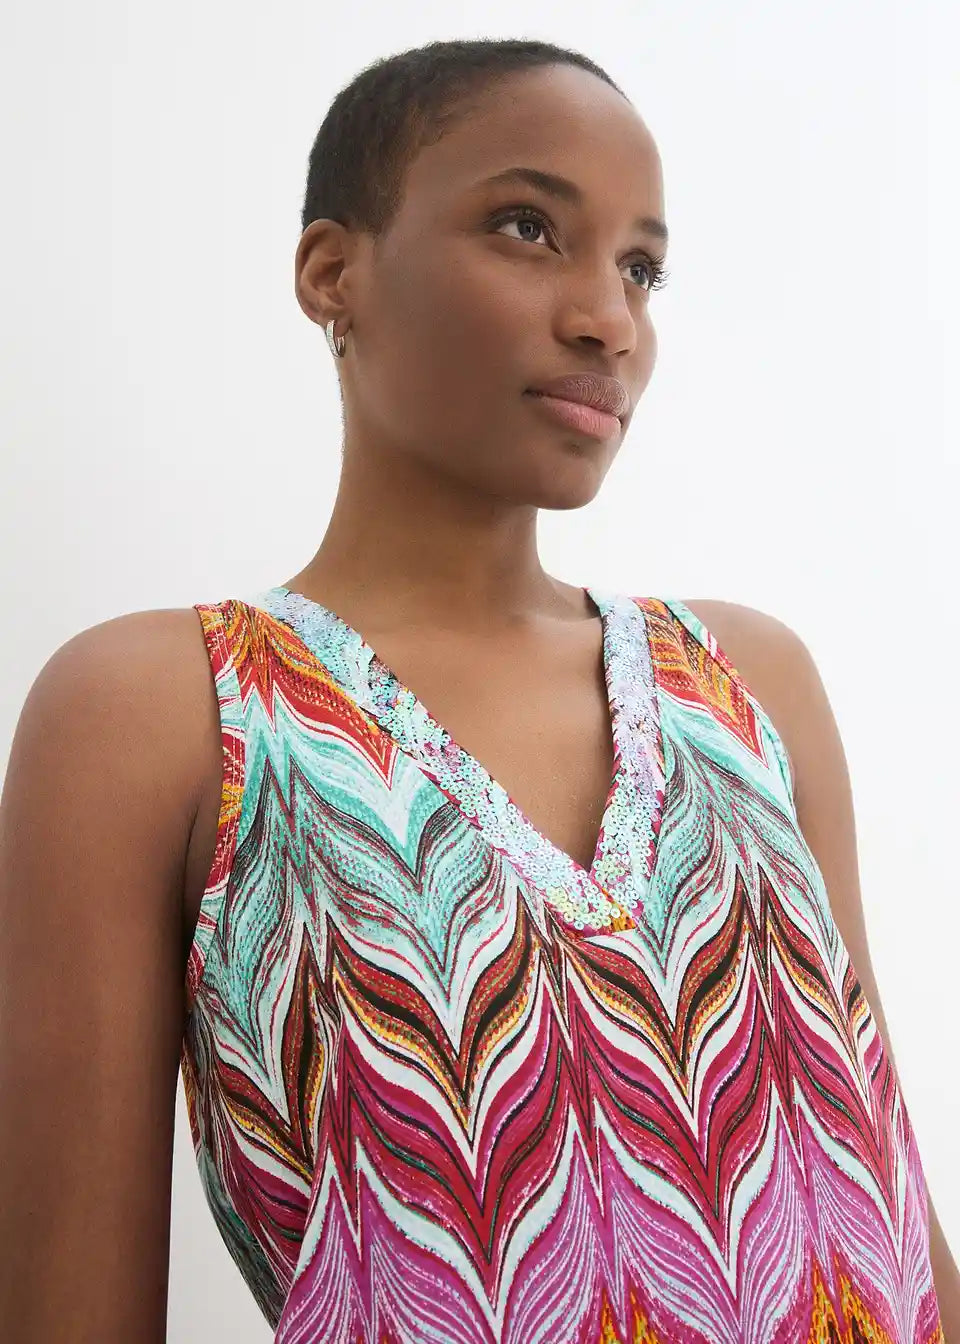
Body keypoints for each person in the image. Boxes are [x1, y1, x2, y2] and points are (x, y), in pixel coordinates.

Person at [0, 35, 954, 1344]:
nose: (609, 318)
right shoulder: (165, 714)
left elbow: (895, 1213)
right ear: (331, 272)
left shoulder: (749, 683)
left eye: (640, 267)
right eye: (528, 228)